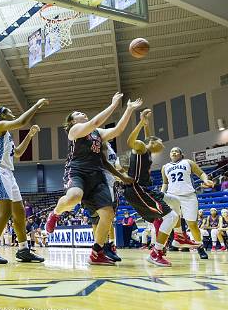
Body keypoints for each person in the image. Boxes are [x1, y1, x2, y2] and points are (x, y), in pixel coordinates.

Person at [46, 93, 142, 265]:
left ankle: (97, 252)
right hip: (77, 171)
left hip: (96, 175)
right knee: (74, 196)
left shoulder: (97, 133)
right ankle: (55, 214)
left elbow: (117, 130)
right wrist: (113, 105)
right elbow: (95, 122)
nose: (82, 113)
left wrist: (128, 110)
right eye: (78, 113)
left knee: (108, 214)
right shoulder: (74, 131)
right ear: (72, 121)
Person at [0, 98, 49, 264]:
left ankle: (23, 250)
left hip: (8, 173)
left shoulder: (7, 135)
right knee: (5, 211)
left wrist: (29, 135)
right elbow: (21, 121)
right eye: (6, 110)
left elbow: (19, 153)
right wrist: (36, 105)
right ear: (1, 114)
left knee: (20, 212)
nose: (10, 111)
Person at [124, 109, 179, 267]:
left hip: (144, 189)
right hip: (137, 188)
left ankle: (166, 241)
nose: (163, 145)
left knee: (173, 206)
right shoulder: (141, 147)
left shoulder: (147, 150)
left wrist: (146, 123)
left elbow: (150, 138)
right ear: (155, 143)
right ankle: (156, 252)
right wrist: (141, 123)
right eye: (161, 142)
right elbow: (130, 141)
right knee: (172, 216)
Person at [161, 147, 214, 259]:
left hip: (188, 196)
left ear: (181, 154)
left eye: (176, 151)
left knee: (192, 225)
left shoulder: (188, 162)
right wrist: (161, 194)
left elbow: (200, 173)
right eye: (172, 151)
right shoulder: (165, 167)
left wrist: (205, 180)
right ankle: (167, 245)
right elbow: (165, 183)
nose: (174, 152)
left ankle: (200, 246)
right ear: (170, 155)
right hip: (172, 196)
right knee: (172, 221)